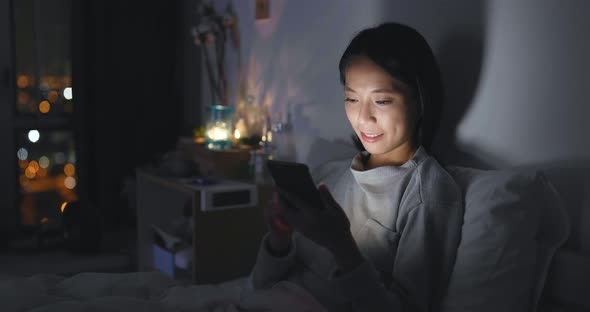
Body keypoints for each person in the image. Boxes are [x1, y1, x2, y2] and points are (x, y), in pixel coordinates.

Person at [249, 22, 464, 312]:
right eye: (351, 99)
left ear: (420, 99)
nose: (364, 117)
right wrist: (279, 242)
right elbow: (261, 287)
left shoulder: (427, 193)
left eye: (382, 100)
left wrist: (342, 246)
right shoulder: (328, 174)